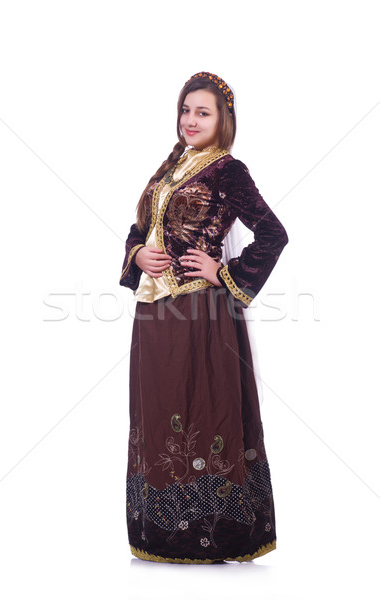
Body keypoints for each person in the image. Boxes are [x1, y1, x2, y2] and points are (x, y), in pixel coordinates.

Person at [119, 71, 288, 564]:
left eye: (203, 112)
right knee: (159, 411)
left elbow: (273, 235)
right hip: (154, 314)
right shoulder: (170, 166)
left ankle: (217, 533)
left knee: (201, 406)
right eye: (186, 110)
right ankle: (160, 533)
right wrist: (137, 256)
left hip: (200, 311)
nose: (190, 120)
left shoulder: (227, 170)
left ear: (223, 121)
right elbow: (141, 228)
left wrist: (224, 272)